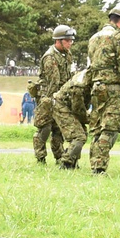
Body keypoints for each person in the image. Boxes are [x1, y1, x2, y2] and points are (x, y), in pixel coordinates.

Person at [87, 7, 120, 174]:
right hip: (113, 89)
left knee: (97, 128)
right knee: (110, 129)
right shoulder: (119, 37)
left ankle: (94, 163)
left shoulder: (94, 38)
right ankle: (99, 167)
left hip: (97, 87)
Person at [32, 25, 74, 164]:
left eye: (71, 40)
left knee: (58, 129)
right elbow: (53, 82)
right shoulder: (50, 57)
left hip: (60, 96)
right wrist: (54, 101)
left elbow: (69, 76)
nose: (70, 43)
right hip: (49, 96)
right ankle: (40, 158)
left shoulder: (67, 55)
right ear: (58, 41)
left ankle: (59, 157)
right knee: (45, 128)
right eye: (67, 40)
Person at [52, 68, 91, 169]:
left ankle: (73, 162)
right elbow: (78, 109)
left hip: (69, 106)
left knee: (82, 133)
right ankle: (66, 163)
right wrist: (90, 118)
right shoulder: (79, 85)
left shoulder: (88, 77)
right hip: (61, 106)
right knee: (79, 136)